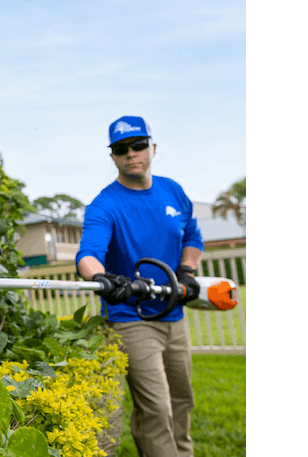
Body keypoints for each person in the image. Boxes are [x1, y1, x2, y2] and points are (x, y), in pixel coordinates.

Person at [75, 116, 204, 457]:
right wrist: (101, 278)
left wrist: (187, 271)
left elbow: (192, 235)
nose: (131, 154)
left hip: (173, 315)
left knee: (181, 399)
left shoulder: (172, 190)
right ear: (113, 157)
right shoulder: (105, 204)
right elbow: (88, 255)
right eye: (121, 149)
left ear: (153, 147)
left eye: (138, 145)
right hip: (130, 318)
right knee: (156, 408)